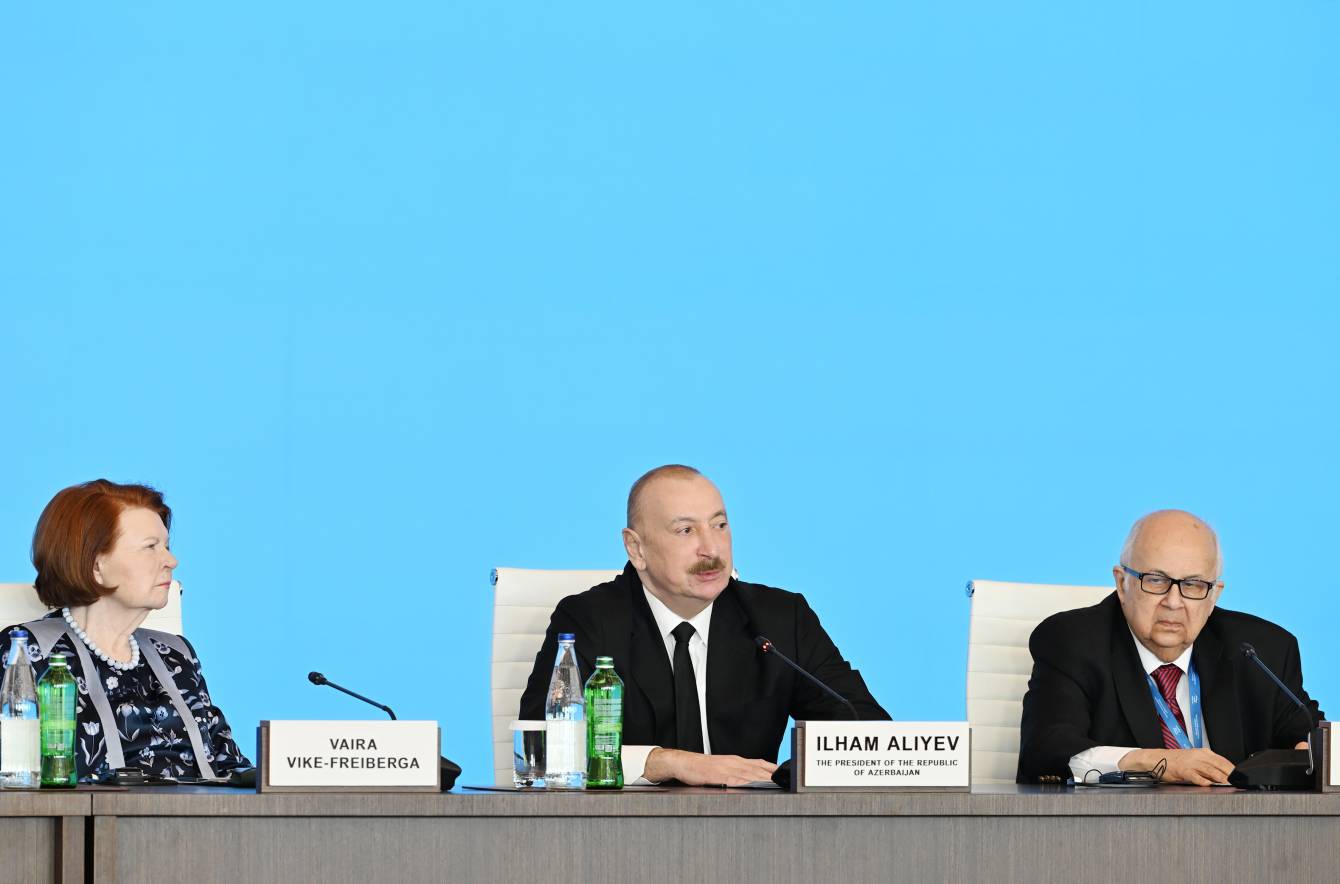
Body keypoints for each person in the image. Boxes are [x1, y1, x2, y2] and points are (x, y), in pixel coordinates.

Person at [519, 465, 888, 786]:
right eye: (686, 531)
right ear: (636, 548)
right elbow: (543, 745)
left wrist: (788, 774)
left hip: (753, 830)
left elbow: (865, 728)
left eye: (719, 525)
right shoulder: (589, 620)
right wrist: (665, 762)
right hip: (623, 830)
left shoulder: (779, 618)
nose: (711, 549)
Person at [1017, 509, 1322, 785]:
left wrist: (1310, 754)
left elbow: (1312, 734)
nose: (1173, 602)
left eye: (1193, 585)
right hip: (1119, 825)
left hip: (1238, 826)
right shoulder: (1073, 642)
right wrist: (1157, 763)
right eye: (1155, 580)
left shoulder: (1260, 650)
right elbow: (1045, 751)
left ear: (1214, 594)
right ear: (1121, 583)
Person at [0, 480, 251, 783]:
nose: (171, 561)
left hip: (205, 813)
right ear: (96, 566)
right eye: (150, 547)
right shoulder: (27, 652)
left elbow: (232, 768)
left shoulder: (176, 655)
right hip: (90, 814)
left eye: (167, 546)